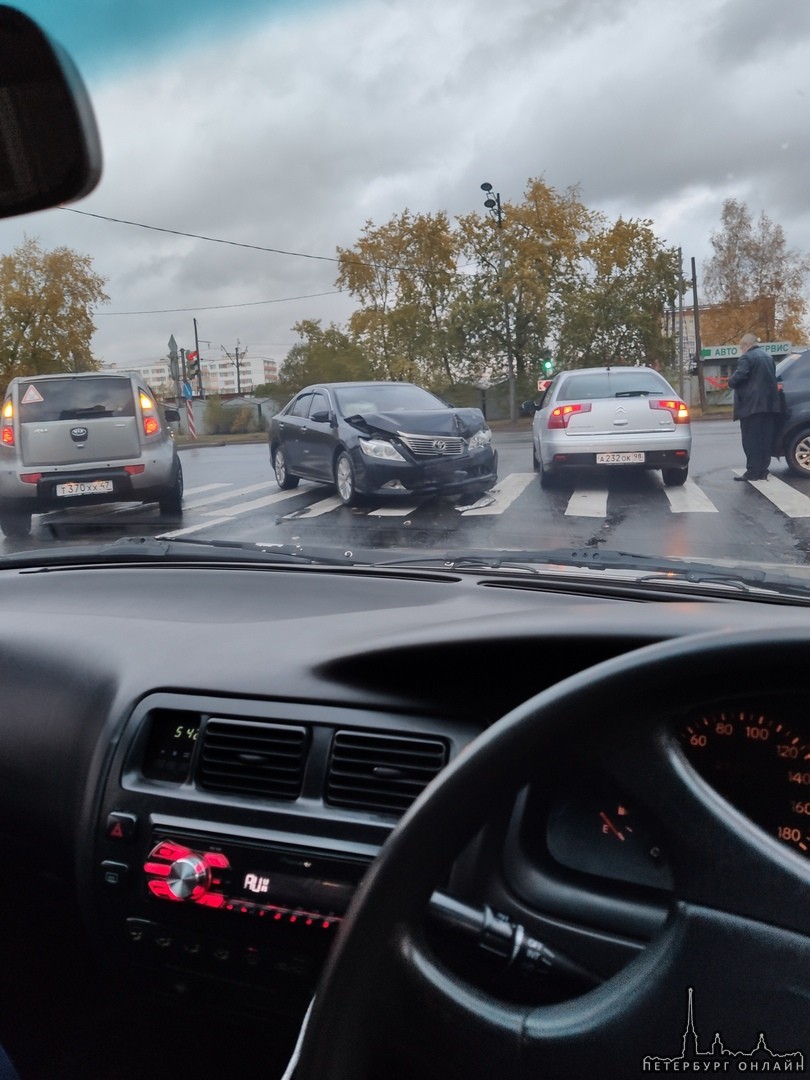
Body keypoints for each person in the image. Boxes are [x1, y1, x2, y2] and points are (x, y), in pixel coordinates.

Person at [727, 333, 782, 480]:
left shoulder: (747, 358)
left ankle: (752, 471)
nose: (741, 350)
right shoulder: (768, 357)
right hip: (769, 405)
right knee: (764, 439)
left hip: (751, 406)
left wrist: (731, 381)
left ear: (746, 345)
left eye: (741, 347)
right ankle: (763, 470)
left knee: (751, 440)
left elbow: (739, 377)